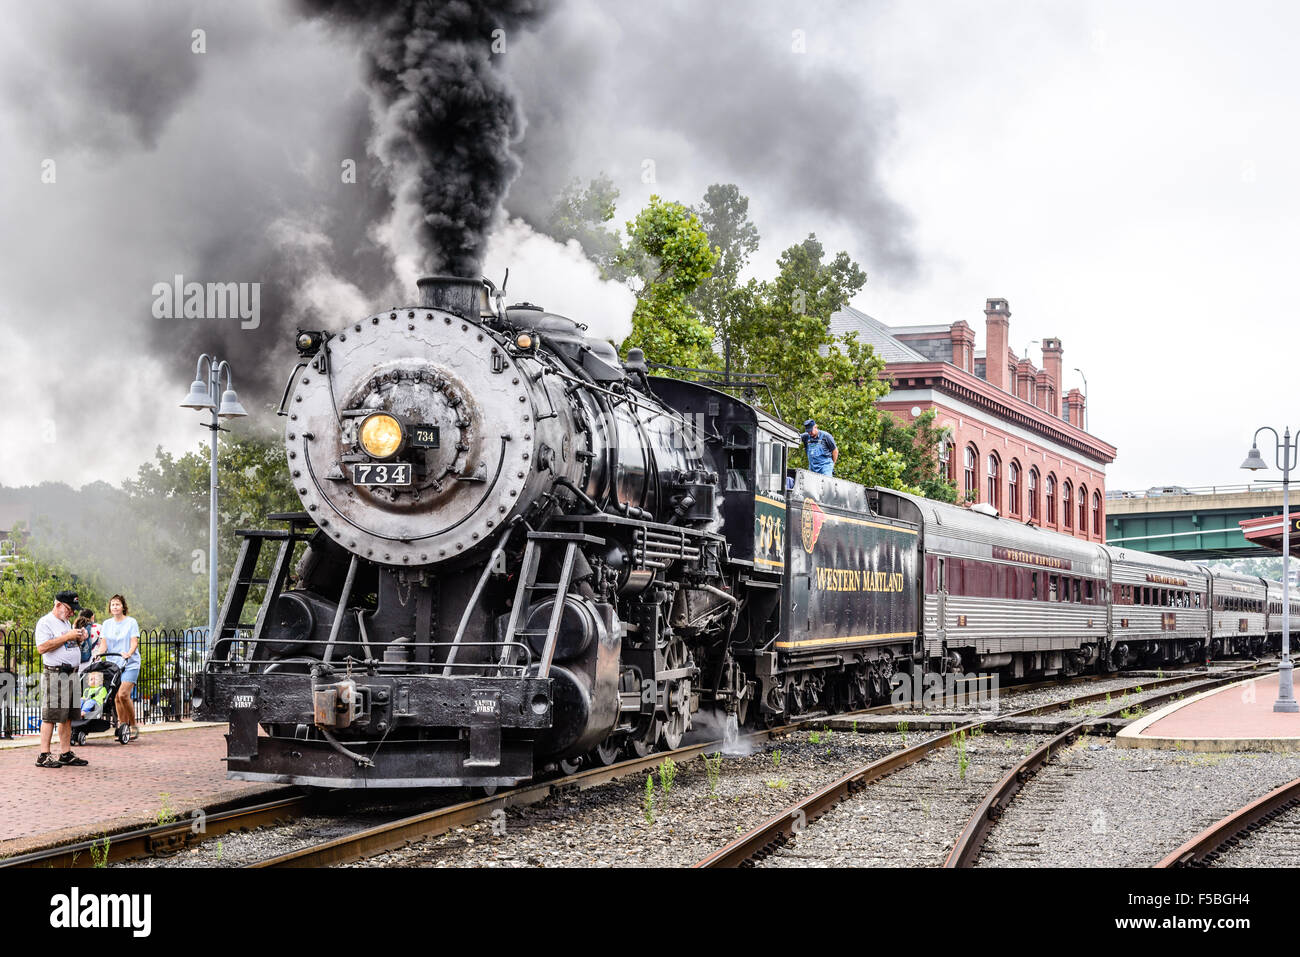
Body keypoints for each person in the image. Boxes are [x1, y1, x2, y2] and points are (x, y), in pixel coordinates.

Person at [33, 590, 90, 768]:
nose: (72, 613)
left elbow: (65, 644)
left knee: (67, 717)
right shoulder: (45, 622)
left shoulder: (65, 622)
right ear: (58, 605)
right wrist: (67, 636)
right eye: (69, 608)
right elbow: (42, 647)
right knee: (51, 715)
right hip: (56, 673)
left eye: (74, 609)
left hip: (71, 673)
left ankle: (65, 753)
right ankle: (44, 754)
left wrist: (79, 638)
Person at [94, 594, 141, 741]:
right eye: (112, 604)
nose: (115, 607)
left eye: (117, 604)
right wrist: (99, 654)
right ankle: (123, 728)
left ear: (123, 607)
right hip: (114, 665)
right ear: (110, 607)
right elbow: (104, 644)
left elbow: (134, 642)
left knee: (123, 695)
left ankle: (133, 726)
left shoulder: (131, 622)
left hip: (130, 663)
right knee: (116, 699)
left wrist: (129, 653)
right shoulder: (107, 624)